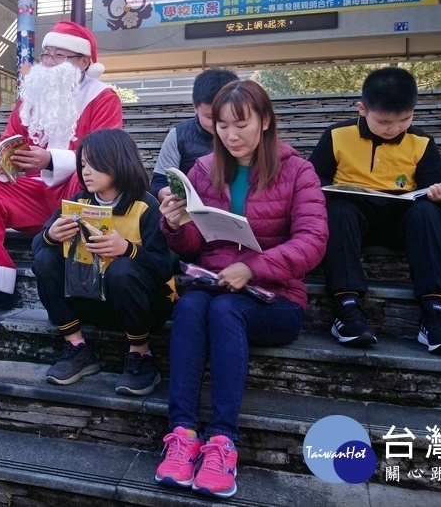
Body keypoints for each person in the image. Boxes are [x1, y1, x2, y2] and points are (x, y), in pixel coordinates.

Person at [155, 80, 327, 498]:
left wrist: (252, 268)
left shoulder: (297, 171)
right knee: (193, 306)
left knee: (222, 311)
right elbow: (195, 246)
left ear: (265, 121)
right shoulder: (203, 169)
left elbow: (313, 241)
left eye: (241, 125)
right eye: (222, 126)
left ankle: (223, 441)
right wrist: (175, 225)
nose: (231, 136)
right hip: (213, 286)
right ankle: (181, 434)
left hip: (275, 298)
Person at [0, 20, 124, 315]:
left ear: (83, 62)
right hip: (32, 195)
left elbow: (107, 158)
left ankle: (80, 277)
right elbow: (12, 142)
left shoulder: (103, 97)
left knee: (87, 177)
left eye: (57, 56)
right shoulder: (31, 97)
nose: (48, 63)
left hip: (73, 192)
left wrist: (50, 159)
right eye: (46, 54)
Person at [307, 67, 441, 356]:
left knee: (429, 213)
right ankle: (347, 307)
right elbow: (312, 177)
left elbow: (436, 190)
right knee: (337, 208)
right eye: (384, 122)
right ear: (362, 109)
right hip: (354, 219)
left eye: (405, 119)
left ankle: (435, 312)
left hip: (401, 219)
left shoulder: (422, 142)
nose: (394, 128)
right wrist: (328, 188)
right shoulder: (337, 135)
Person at [32, 129, 174, 397]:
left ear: (119, 162)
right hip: (90, 298)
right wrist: (50, 236)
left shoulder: (146, 206)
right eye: (83, 164)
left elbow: (164, 267)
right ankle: (77, 348)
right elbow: (37, 250)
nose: (86, 171)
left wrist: (128, 249)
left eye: (95, 164)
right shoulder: (77, 203)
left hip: (143, 307)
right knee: (45, 257)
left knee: (122, 268)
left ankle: (141, 356)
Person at [151, 68, 240, 198]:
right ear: (195, 107)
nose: (218, 125)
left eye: (223, 117)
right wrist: (161, 193)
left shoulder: (247, 135)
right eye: (210, 117)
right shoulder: (178, 136)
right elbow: (159, 182)